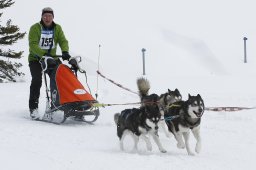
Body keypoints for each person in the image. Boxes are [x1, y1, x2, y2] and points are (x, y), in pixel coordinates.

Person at [28, 7, 71, 120]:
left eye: (49, 16)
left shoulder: (57, 28)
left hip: (51, 58)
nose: (47, 18)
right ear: (42, 17)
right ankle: (33, 108)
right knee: (37, 80)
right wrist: (43, 54)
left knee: (61, 77)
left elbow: (63, 40)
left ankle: (57, 105)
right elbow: (33, 45)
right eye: (45, 16)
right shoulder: (35, 28)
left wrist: (65, 51)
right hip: (35, 58)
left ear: (53, 17)